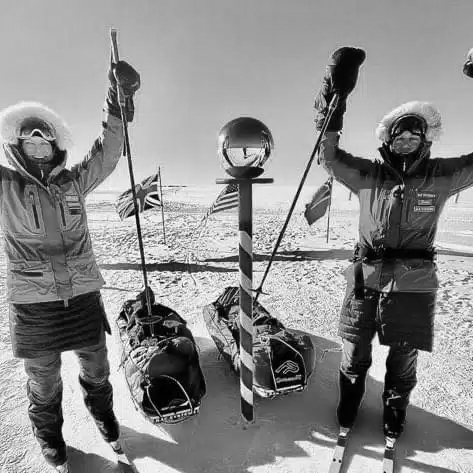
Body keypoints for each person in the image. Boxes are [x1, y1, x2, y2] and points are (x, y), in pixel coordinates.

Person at [314, 46, 473, 440]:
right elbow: (328, 157)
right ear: (388, 138)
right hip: (365, 275)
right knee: (354, 349)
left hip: (414, 280)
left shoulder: (441, 175)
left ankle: (394, 409)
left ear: (425, 139)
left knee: (403, 355)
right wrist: (335, 104)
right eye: (399, 134)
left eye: (414, 135)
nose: (406, 140)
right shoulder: (369, 174)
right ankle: (349, 402)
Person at [0, 60, 140, 472]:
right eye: (30, 143)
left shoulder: (73, 182)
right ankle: (50, 441)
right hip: (33, 306)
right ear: (18, 147)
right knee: (44, 384)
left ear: (55, 146)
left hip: (81, 298)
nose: (38, 148)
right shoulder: (6, 187)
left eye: (45, 142)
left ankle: (106, 423)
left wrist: (117, 102)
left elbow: (108, 154)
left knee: (97, 370)